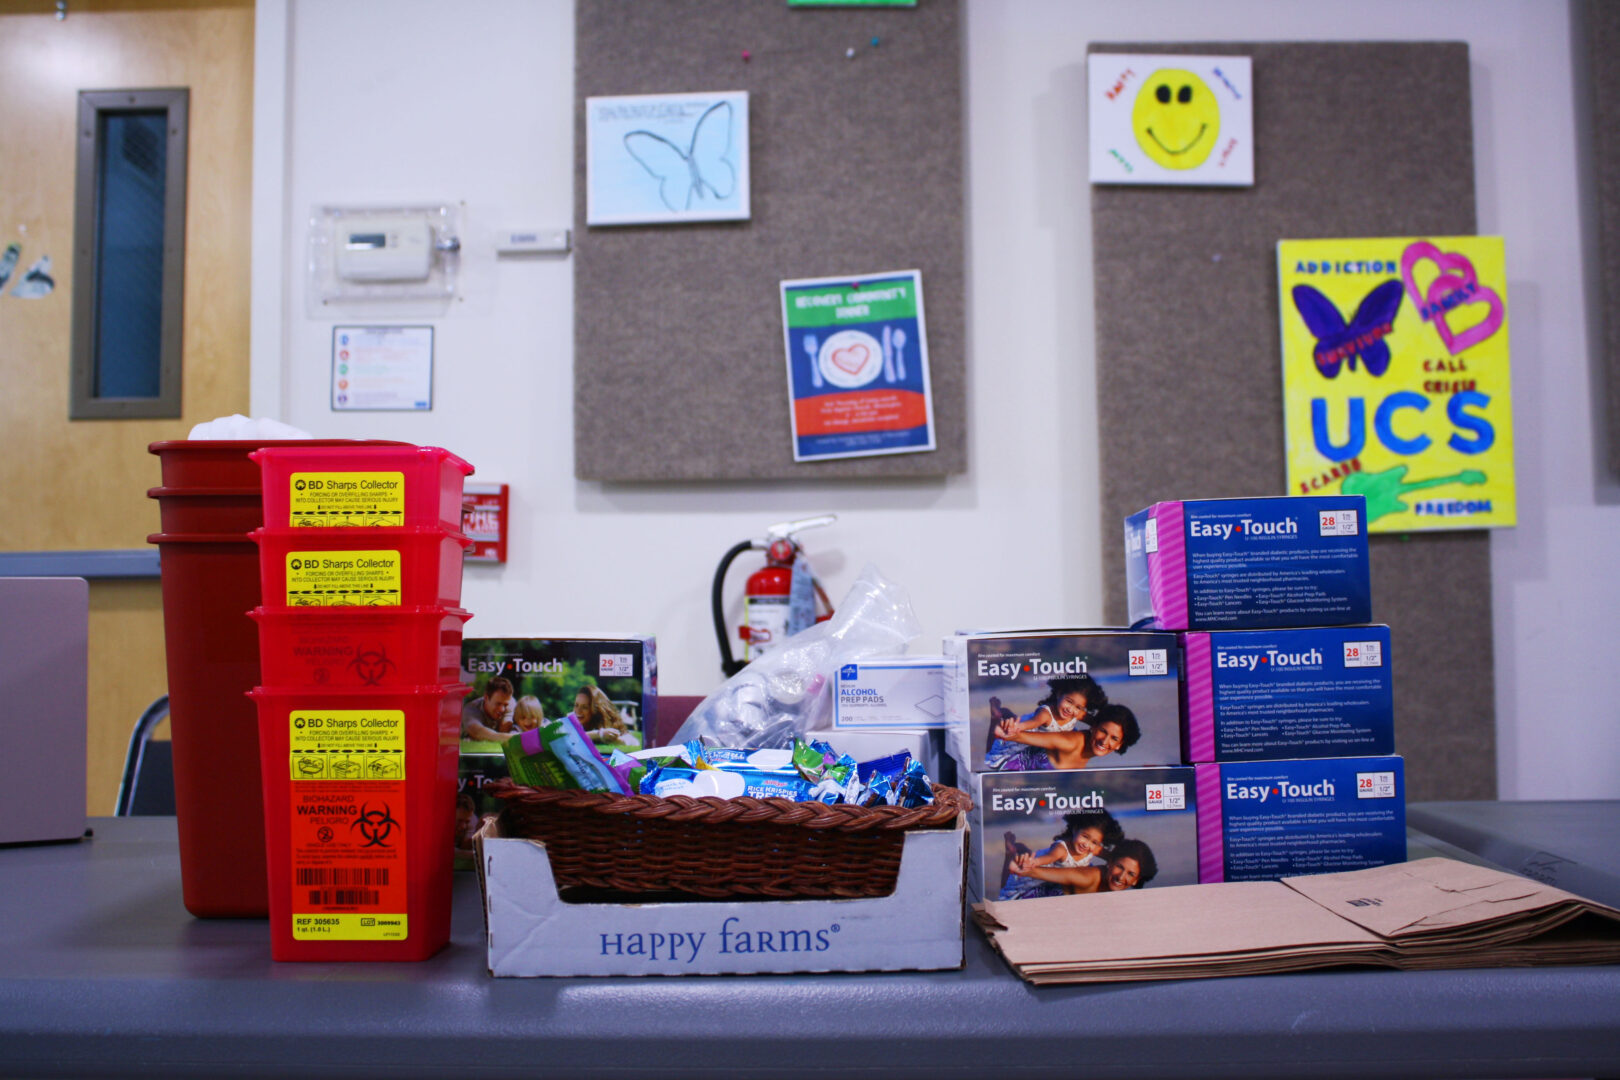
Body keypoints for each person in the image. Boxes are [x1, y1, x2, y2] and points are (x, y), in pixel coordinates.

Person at [997, 810, 1124, 901]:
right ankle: (1013, 851)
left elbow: (1113, 857)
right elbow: (1048, 858)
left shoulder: (1093, 848)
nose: (1087, 845)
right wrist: (1033, 863)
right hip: (1037, 875)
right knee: (1008, 891)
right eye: (1085, 837)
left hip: (1056, 877)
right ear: (1075, 829)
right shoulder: (1061, 849)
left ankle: (1017, 848)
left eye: (1094, 842)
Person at [987, 703, 1142, 771]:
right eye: (1103, 731)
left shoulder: (1090, 748)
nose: (1105, 741)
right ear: (1094, 727)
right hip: (1010, 769)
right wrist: (1008, 733)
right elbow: (1024, 737)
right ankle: (1000, 716)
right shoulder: (1072, 742)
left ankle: (1002, 714)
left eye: (1114, 739)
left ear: (1120, 745)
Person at [985, 676, 1108, 755]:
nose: (1071, 709)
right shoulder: (1045, 714)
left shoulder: (1078, 713)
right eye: (1069, 702)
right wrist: (1017, 728)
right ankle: (997, 711)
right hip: (1028, 729)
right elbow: (1031, 723)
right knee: (991, 751)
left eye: (1078, 707)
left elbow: (1096, 722)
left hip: (1048, 739)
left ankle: (1004, 712)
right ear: (1059, 694)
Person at [1009, 837, 1159, 894]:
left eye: (1131, 874)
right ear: (1110, 863)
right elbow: (1064, 875)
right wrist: (1025, 870)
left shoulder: (1112, 886)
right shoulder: (1090, 877)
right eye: (1119, 867)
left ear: (1136, 880)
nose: (1121, 877)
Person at [462, 676, 516, 742]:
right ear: (486, 698)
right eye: (498, 704)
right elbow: (477, 732)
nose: (502, 709)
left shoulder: (511, 703)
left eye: (505, 705)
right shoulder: (470, 709)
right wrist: (517, 738)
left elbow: (506, 728)